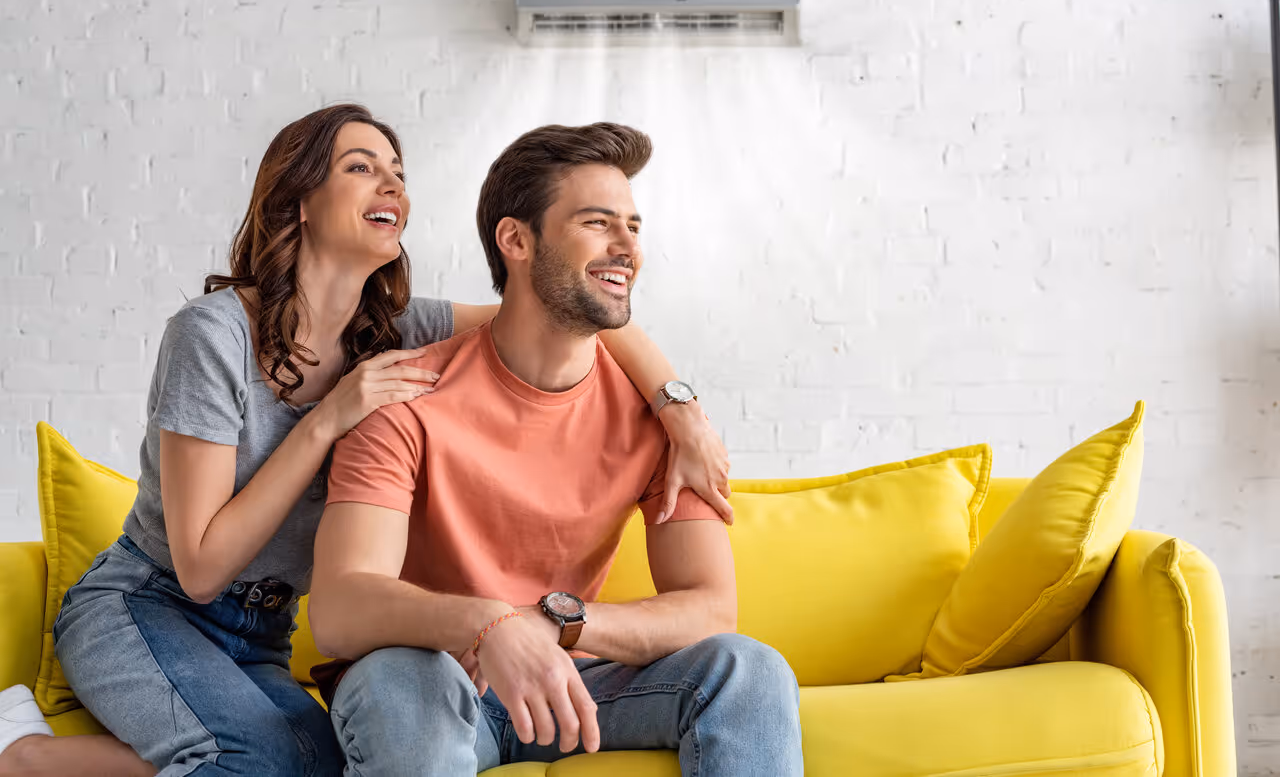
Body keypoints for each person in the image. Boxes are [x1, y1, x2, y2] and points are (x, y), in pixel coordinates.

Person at [0, 106, 734, 777]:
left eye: (398, 172)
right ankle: (26, 755)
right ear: (299, 202)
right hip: (147, 606)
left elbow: (570, 298)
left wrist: (680, 408)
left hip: (265, 629)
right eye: (361, 166)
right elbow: (199, 566)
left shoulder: (394, 330)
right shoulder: (213, 335)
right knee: (250, 761)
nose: (392, 184)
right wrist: (327, 419)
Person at [309, 122, 803, 776]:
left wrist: (555, 624)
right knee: (400, 688)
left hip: (575, 682)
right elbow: (340, 608)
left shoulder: (662, 424)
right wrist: (488, 626)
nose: (627, 246)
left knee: (749, 670)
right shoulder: (406, 397)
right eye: (598, 223)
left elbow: (711, 607)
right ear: (516, 240)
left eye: (634, 226)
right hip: (434, 677)